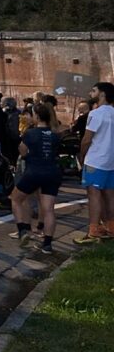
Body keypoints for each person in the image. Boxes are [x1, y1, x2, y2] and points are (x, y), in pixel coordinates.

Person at [11, 103, 62, 254]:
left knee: (16, 198)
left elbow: (22, 150)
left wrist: (27, 156)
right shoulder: (55, 134)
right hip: (52, 172)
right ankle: (47, 244)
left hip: (34, 171)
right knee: (49, 209)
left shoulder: (30, 133)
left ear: (37, 117)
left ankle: (23, 230)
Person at [74, 82, 114, 244]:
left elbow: (87, 139)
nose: (91, 93)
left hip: (96, 159)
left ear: (102, 94)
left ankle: (94, 230)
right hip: (111, 160)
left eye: (94, 90)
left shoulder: (96, 114)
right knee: (110, 195)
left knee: (94, 195)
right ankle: (110, 227)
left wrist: (82, 156)